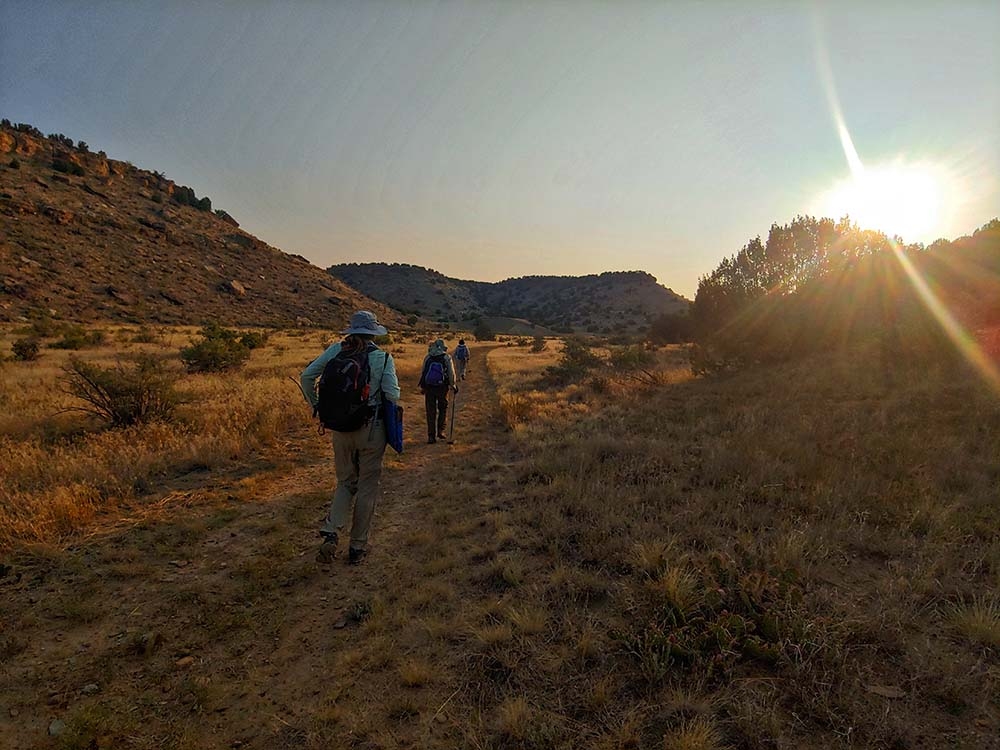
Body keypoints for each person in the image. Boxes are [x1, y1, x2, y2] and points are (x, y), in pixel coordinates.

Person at [300, 311, 400, 565]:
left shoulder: (336, 351)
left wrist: (317, 407)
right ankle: (357, 547)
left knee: (345, 482)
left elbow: (307, 376)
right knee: (367, 486)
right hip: (371, 429)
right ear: (374, 333)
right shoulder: (382, 357)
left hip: (340, 429)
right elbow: (392, 395)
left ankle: (332, 532)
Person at [418, 338, 458, 444]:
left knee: (430, 411)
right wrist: (453, 385)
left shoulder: (428, 357)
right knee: (443, 408)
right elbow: (451, 373)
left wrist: (423, 387)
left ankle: (431, 436)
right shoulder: (446, 357)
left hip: (429, 387)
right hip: (442, 388)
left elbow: (423, 372)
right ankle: (441, 431)